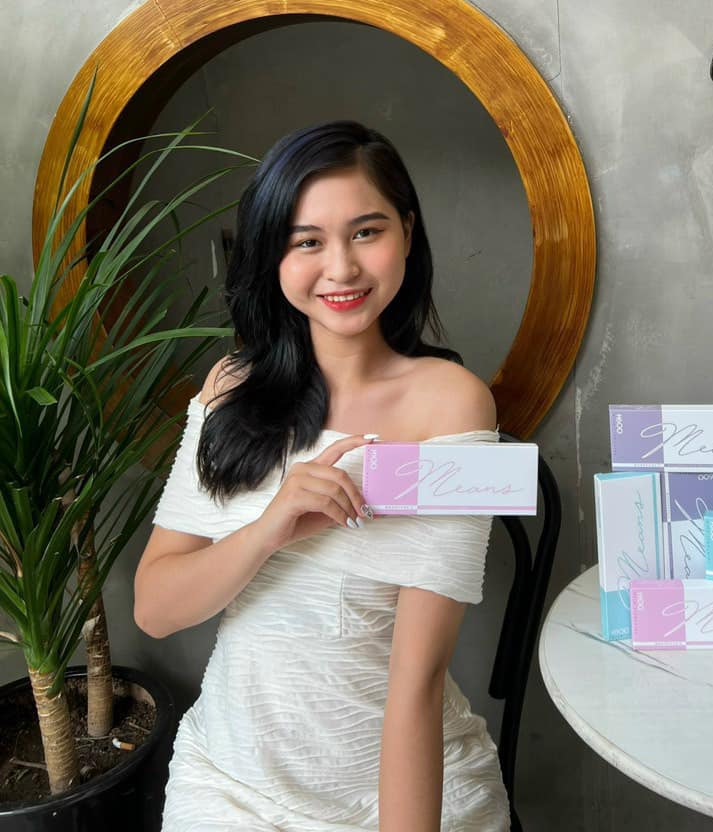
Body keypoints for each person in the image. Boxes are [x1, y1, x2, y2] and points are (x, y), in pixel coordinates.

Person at [134, 121, 511, 832]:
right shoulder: (230, 389)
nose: (341, 268)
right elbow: (156, 609)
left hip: (387, 788)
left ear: (407, 232)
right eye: (306, 241)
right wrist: (269, 529)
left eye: (366, 232)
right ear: (272, 254)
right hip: (231, 780)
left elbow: (418, 681)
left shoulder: (451, 405)